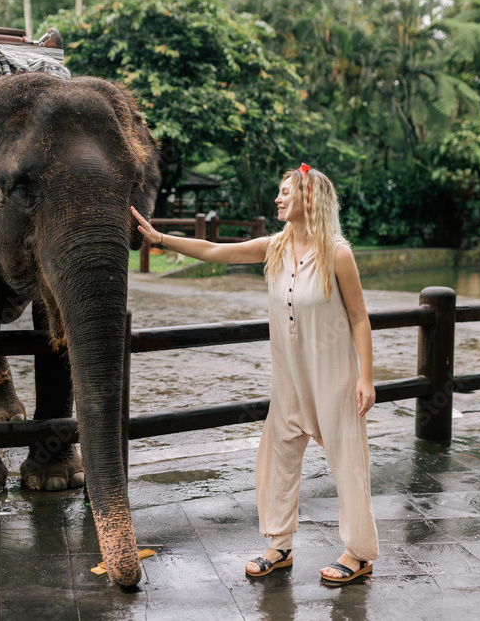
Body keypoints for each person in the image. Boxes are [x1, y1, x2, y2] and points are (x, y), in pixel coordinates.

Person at [131, 163, 378, 583]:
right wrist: (158, 239)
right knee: (278, 459)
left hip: (334, 378)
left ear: (309, 199)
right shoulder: (276, 247)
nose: (278, 199)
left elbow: (358, 318)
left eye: (286, 192)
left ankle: (359, 553)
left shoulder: (337, 253)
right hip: (290, 381)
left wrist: (366, 378)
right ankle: (279, 545)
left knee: (348, 462)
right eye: (279, 191)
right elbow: (213, 250)